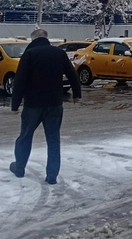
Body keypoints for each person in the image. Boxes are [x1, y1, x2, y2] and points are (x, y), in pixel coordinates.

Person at [9, 29, 81, 185]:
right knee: (53, 140)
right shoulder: (59, 53)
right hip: (54, 104)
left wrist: (15, 105)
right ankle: (52, 176)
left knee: (25, 137)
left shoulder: (29, 54)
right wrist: (76, 94)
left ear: (33, 39)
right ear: (46, 38)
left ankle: (19, 168)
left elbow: (19, 80)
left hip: (32, 105)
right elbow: (72, 74)